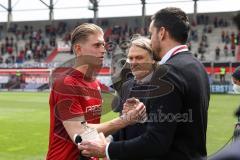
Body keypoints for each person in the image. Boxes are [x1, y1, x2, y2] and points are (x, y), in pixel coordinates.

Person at [79, 7, 210, 160]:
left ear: (161, 33)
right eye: (131, 58)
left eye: (151, 33)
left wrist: (107, 150)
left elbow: (157, 141)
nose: (133, 63)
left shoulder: (167, 73)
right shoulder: (197, 66)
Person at [46, 23, 146, 160]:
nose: (103, 50)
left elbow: (93, 134)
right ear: (78, 49)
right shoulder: (66, 83)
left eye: (103, 45)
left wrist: (104, 149)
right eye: (97, 45)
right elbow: (80, 134)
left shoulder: (95, 84)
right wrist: (125, 120)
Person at [112, 35, 156, 141]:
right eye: (131, 58)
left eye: (139, 58)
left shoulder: (163, 86)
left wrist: (141, 117)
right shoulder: (126, 86)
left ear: (153, 59)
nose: (134, 62)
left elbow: (161, 133)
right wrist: (109, 141)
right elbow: (121, 124)